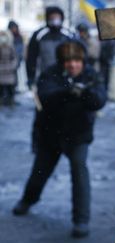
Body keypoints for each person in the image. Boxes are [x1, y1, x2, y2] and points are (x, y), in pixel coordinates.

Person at [12, 41, 107, 238]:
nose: (73, 65)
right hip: (51, 135)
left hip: (78, 135)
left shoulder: (91, 74)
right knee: (40, 173)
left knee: (80, 173)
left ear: (82, 61)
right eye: (68, 61)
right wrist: (68, 90)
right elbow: (45, 96)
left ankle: (81, 220)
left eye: (76, 61)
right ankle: (27, 200)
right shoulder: (50, 73)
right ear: (62, 62)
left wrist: (85, 92)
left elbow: (99, 100)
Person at [26, 6, 73, 153]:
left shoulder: (67, 35)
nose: (55, 20)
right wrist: (31, 78)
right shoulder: (39, 35)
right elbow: (31, 59)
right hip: (44, 81)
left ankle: (62, 142)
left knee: (65, 111)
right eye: (52, 17)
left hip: (63, 80)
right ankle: (37, 143)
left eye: (57, 17)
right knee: (41, 113)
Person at [0, 30, 17, 106]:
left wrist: (11, 66)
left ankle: (11, 102)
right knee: (1, 89)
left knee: (10, 89)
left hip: (9, 73)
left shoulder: (11, 47)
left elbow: (14, 59)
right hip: (1, 73)